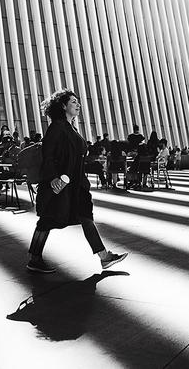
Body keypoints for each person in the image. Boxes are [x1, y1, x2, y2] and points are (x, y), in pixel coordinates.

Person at [27, 89, 128, 273]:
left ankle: (104, 257)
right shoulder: (57, 127)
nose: (78, 104)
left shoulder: (71, 127)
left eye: (77, 101)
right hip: (61, 184)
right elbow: (48, 154)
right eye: (73, 102)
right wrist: (54, 177)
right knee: (48, 220)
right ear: (63, 106)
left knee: (86, 216)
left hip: (76, 184)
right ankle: (34, 259)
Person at [0, 134, 21, 203]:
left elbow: (18, 163)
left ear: (10, 143)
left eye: (5, 144)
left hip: (13, 172)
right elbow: (2, 160)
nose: (3, 145)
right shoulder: (6, 151)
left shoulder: (17, 150)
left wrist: (8, 158)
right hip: (5, 171)